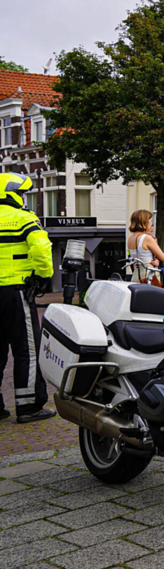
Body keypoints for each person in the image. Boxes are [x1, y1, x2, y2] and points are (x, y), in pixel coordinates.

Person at [0, 172, 55, 423]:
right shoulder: (24, 218)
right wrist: (44, 276)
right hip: (16, 293)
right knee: (27, 350)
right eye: (21, 193)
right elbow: (42, 248)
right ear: (12, 193)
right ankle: (29, 405)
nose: (23, 197)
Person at [127, 210, 164, 283]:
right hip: (149, 274)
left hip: (136, 274)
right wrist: (155, 244)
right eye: (150, 221)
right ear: (144, 222)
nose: (151, 224)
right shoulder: (147, 238)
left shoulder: (130, 239)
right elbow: (163, 258)